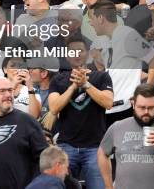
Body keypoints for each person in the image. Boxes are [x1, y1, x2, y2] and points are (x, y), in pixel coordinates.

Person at [48, 36, 113, 189]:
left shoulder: (101, 76)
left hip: (95, 147)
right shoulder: (58, 80)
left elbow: (108, 103)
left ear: (88, 54)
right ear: (66, 55)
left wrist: (85, 84)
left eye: (81, 51)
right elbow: (54, 108)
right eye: (73, 51)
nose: (77, 54)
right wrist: (72, 86)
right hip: (66, 146)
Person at [88, 0, 154, 123]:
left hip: (126, 108)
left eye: (92, 18)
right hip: (108, 107)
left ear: (100, 18)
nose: (90, 23)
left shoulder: (128, 35)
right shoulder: (103, 39)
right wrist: (97, 58)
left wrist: (145, 90)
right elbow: (104, 70)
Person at [98, 83, 154, 189]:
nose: (146, 112)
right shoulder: (118, 127)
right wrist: (108, 186)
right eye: (142, 107)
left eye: (151, 108)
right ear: (133, 104)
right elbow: (102, 153)